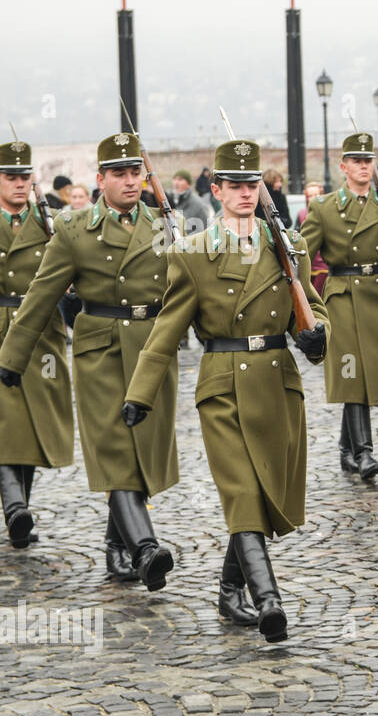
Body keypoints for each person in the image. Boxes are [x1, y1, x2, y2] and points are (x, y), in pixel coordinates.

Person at [123, 139, 330, 642]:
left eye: (251, 183)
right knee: (242, 492)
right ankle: (269, 601)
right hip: (223, 386)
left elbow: (316, 310)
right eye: (233, 185)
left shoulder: (289, 246)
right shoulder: (193, 253)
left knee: (261, 497)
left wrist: (319, 337)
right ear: (215, 190)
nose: (243, 192)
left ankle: (228, 590)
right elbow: (167, 330)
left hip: (278, 383)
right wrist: (140, 393)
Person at [0, 132, 180, 587]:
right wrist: (12, 357)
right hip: (99, 348)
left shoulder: (164, 223)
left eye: (135, 172)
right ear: (100, 180)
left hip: (152, 348)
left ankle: (115, 545)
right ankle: (144, 548)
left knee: (142, 451)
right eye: (118, 174)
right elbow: (41, 296)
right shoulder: (74, 229)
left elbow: (188, 293)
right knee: (115, 447)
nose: (129, 181)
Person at [300, 132, 378, 480]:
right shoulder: (324, 207)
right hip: (341, 299)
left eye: (368, 161)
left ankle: (347, 448)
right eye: (357, 162)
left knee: (370, 375)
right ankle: (364, 453)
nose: (363, 167)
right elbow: (302, 255)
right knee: (351, 373)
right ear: (343, 166)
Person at [0, 140, 73, 550]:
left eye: (24, 177)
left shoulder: (52, 223)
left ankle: (19, 512)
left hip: (39, 332)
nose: (18, 184)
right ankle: (14, 507)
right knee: (5, 421)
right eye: (10, 177)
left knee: (29, 425)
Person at [298, 182, 328, 294]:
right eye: (310, 196)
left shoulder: (327, 213)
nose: (313, 198)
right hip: (307, 265)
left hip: (323, 266)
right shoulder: (302, 214)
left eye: (316, 195)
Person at [170, 169, 211, 234]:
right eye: (174, 179)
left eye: (180, 179)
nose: (176, 183)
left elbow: (204, 230)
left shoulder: (198, 204)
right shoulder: (171, 199)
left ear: (188, 184)